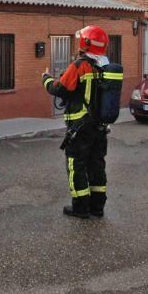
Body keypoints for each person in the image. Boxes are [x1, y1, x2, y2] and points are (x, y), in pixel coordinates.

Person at [41, 25, 111, 219]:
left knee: (76, 164)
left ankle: (80, 207)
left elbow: (59, 89)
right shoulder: (106, 66)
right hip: (100, 126)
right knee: (97, 164)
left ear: (85, 42)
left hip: (80, 126)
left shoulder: (80, 65)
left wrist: (46, 79)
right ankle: (97, 207)